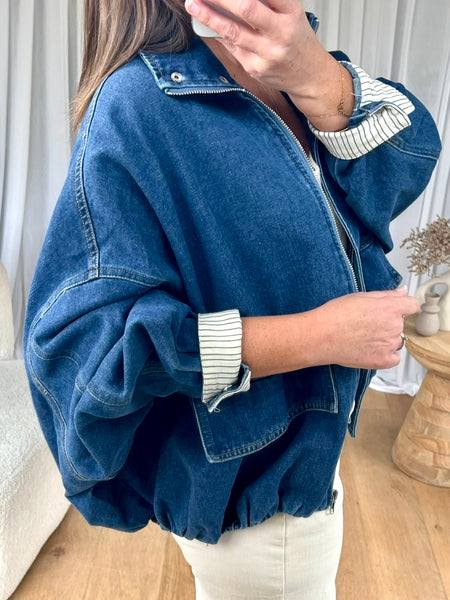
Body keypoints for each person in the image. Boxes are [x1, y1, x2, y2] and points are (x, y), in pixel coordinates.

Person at [24, 1, 441, 598]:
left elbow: (408, 157)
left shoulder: (281, 67)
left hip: (306, 455)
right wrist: (323, 336)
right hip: (257, 501)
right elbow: (89, 348)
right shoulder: (139, 106)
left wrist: (318, 76)